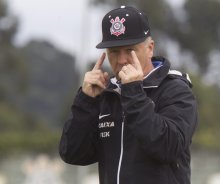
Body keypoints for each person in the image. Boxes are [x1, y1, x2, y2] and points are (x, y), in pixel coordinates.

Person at [59, 5, 198, 184]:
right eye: (114, 52)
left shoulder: (176, 90)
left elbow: (168, 147)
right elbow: (73, 153)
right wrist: (86, 100)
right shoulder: (106, 93)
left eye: (130, 50)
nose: (122, 60)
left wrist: (134, 92)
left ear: (150, 48)